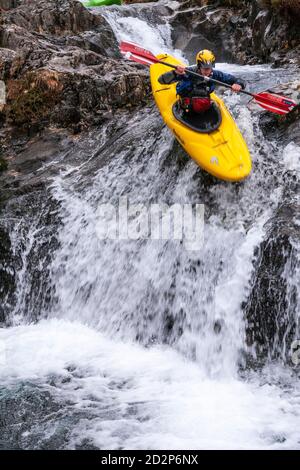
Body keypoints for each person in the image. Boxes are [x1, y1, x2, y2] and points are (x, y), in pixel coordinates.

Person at [158, 49, 246, 115]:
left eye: (210, 68)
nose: (208, 71)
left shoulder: (215, 75)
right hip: (185, 108)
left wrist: (239, 84)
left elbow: (239, 80)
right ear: (199, 66)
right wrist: (174, 73)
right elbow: (161, 80)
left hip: (202, 104)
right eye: (205, 68)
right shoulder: (188, 72)